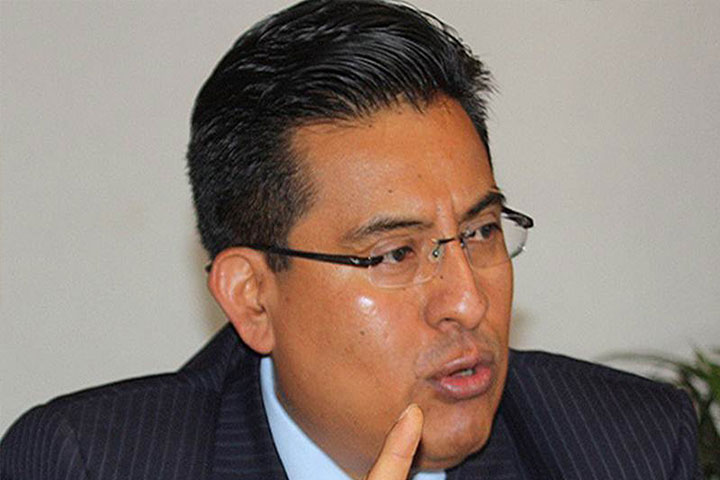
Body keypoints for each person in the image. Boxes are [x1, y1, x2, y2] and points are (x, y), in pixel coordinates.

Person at [0, 0, 700, 479]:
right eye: (395, 254)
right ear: (253, 298)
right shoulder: (88, 463)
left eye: (481, 230)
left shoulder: (625, 446)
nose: (467, 301)